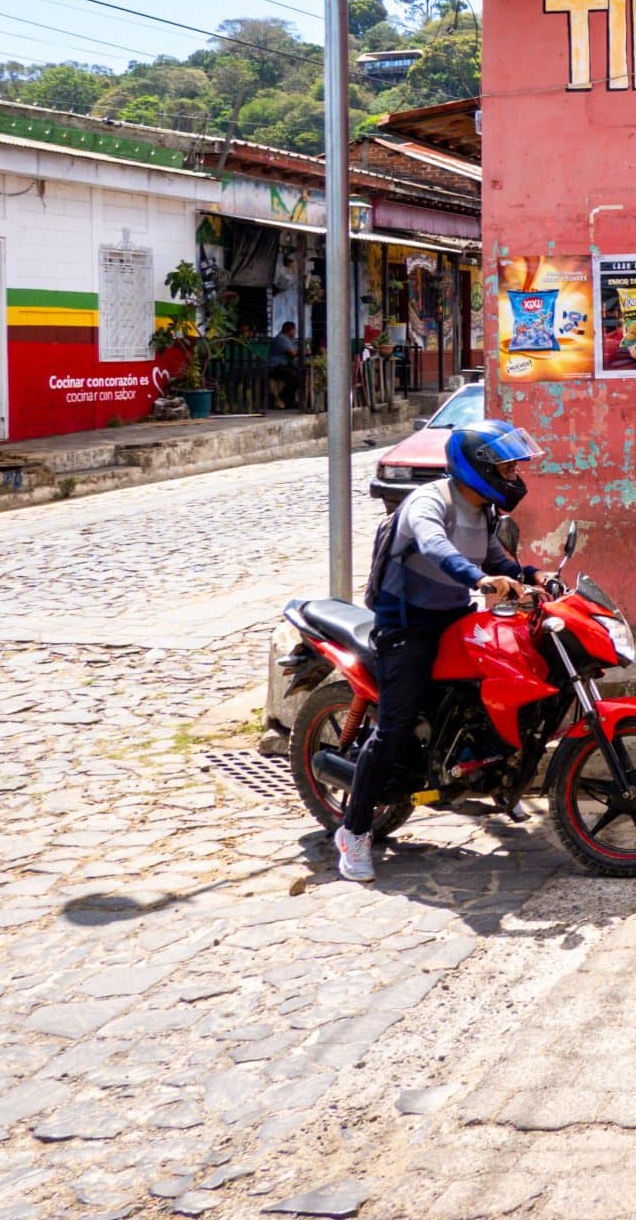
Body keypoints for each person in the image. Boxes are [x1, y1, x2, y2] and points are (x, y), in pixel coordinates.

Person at [334, 419, 542, 883]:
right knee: (393, 729)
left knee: (490, 691)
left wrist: (533, 576)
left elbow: (496, 558)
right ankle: (353, 834)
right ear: (477, 468)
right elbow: (436, 547)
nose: (513, 478)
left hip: (451, 619)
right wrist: (479, 581)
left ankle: (491, 780)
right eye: (506, 469)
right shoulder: (429, 502)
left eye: (513, 469)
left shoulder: (483, 508)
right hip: (406, 627)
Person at [268, 322, 302, 409]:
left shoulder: (289, 340)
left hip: (284, 366)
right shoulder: (282, 338)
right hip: (276, 367)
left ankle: (289, 401)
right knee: (295, 376)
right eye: (294, 330)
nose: (295, 333)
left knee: (299, 374)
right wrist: (303, 352)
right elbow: (292, 353)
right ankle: (281, 397)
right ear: (290, 330)